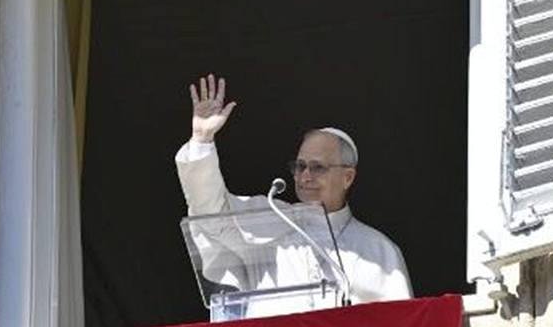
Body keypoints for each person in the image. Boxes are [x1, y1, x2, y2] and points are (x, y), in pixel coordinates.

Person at [175, 74, 412, 305]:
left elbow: (402, 325)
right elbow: (211, 213)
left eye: (317, 167)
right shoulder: (267, 225)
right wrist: (202, 140)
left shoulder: (379, 251)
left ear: (347, 177)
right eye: (300, 167)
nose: (305, 176)